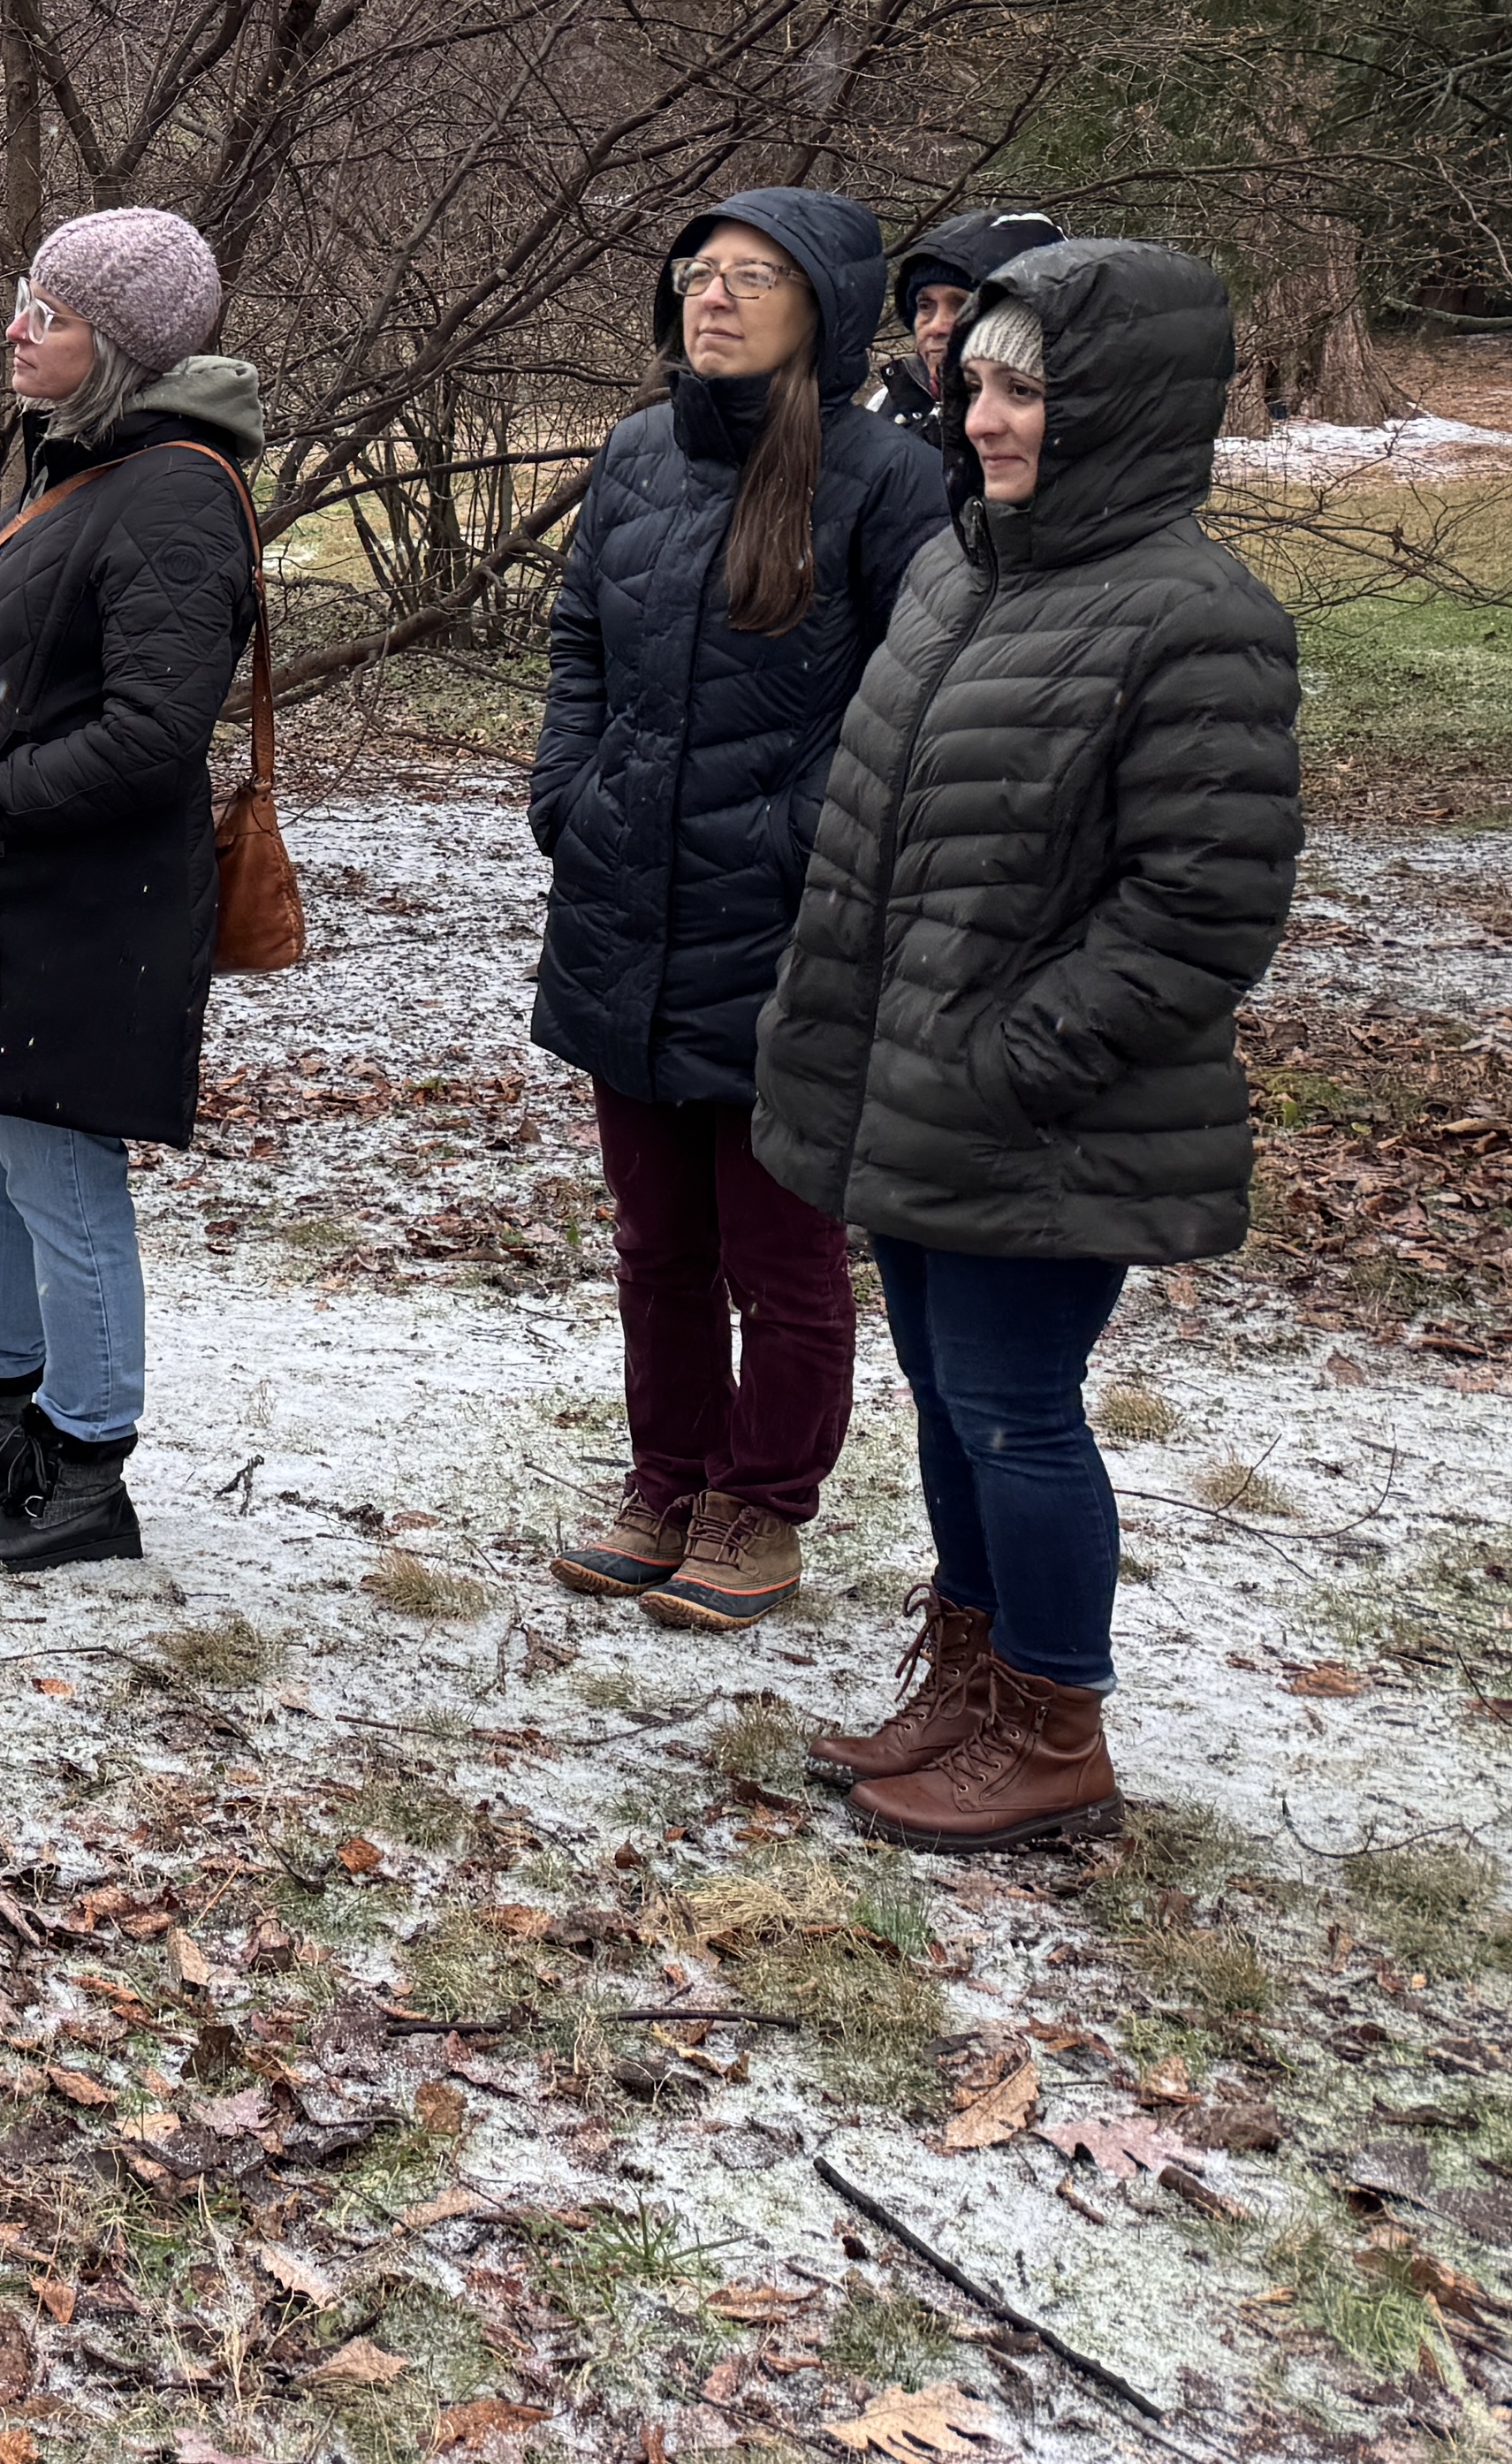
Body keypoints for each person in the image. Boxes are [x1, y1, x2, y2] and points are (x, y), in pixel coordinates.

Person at [756, 246, 1300, 1852]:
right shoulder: (955, 571)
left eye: (1024, 390)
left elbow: (1203, 904)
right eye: (975, 383)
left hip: (1043, 1107)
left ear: (1117, 409)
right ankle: (971, 1677)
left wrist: (1015, 1056)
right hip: (910, 1082)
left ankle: (1053, 1722)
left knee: (1012, 1402)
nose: (980, 416)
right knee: (943, 1394)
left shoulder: (1198, 618)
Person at [530, 189, 954, 1631]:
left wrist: (801, 840)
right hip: (625, 908)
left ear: (822, 307)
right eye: (697, 272)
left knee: (778, 1253)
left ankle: (757, 1502)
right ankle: (664, 1477)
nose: (711, 296)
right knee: (656, 1241)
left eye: (751, 278)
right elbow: (578, 634)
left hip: (786, 931)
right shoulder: (637, 454)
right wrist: (568, 793)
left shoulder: (885, 478)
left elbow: (914, 696)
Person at [0, 210, 262, 1572]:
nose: (16, 330)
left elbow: (154, 730)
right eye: (23, 302)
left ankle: (86, 1460)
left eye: (50, 312)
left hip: (81, 905)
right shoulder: (78, 462)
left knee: (57, 1172)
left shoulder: (177, 492)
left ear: (120, 348)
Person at [865, 208, 1069, 488]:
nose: (936, 326)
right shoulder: (890, 406)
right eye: (925, 306)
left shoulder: (1057, 419)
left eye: (962, 304)